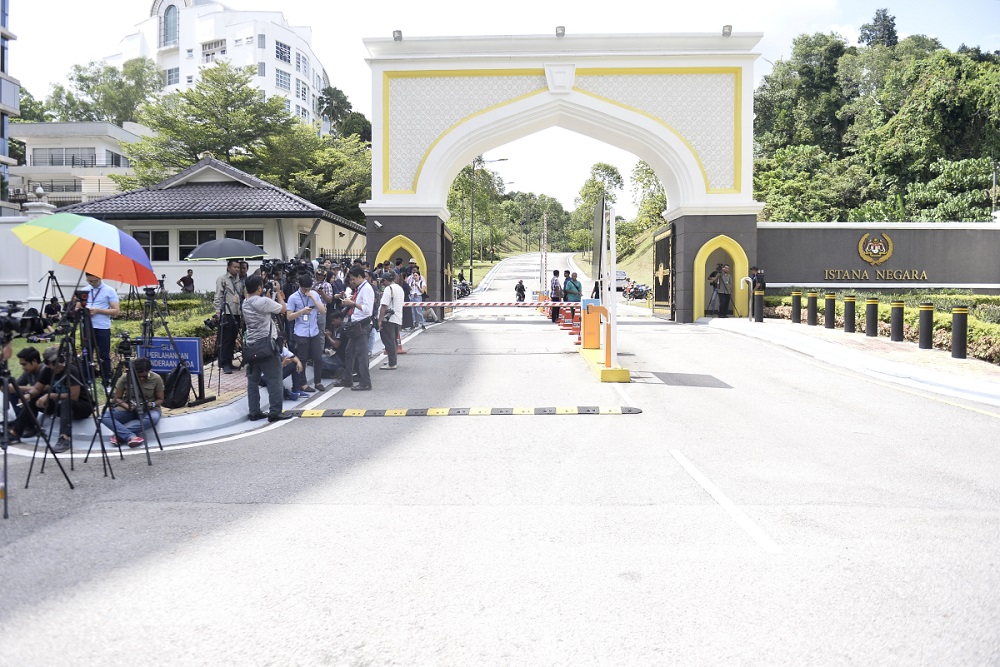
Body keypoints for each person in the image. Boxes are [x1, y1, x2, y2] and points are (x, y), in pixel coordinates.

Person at [7, 346, 93, 453]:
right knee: (33, 399)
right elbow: (37, 389)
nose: (59, 364)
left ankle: (65, 438)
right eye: (55, 362)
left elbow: (74, 396)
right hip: (60, 405)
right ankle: (15, 432)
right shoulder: (47, 371)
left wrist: (50, 396)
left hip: (82, 406)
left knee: (66, 401)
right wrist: (29, 395)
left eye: (61, 360)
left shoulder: (71, 370)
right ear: (47, 363)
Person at [241, 275, 291, 422]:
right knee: (275, 379)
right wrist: (278, 292)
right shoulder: (263, 301)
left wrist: (268, 297)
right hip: (267, 347)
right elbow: (283, 309)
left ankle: (254, 412)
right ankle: (275, 412)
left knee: (253, 382)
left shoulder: (245, 303)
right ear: (259, 288)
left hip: (251, 346)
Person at [99, 357, 164, 448]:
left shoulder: (156, 378)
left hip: (148, 409)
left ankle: (120, 435)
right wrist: (127, 406)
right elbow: (117, 398)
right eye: (138, 376)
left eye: (144, 376)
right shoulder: (125, 377)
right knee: (104, 416)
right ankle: (129, 436)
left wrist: (151, 404)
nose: (141, 379)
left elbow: (160, 399)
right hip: (129, 409)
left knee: (153, 419)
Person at [286, 274, 327, 393]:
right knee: (302, 359)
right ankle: (303, 383)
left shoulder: (314, 294)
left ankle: (317, 381)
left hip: (313, 331)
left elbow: (323, 311)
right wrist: (302, 311)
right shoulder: (293, 298)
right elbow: (289, 317)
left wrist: (314, 298)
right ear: (300, 286)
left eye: (309, 288)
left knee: (318, 358)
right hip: (301, 332)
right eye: (305, 289)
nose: (307, 291)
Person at [337, 266, 374, 391]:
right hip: (356, 324)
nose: (352, 281)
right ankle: (347, 379)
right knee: (349, 352)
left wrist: (352, 304)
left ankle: (365, 382)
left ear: (359, 277)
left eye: (353, 279)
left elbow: (367, 309)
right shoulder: (361, 288)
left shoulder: (366, 289)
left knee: (361, 354)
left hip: (362, 325)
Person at [81, 272, 120, 384]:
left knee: (104, 354)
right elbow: (77, 307)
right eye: (90, 281)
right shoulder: (85, 290)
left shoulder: (109, 290)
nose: (92, 283)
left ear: (100, 277)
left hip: (102, 327)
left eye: (94, 281)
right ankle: (87, 379)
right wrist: (83, 309)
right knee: (86, 353)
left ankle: (106, 379)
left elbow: (116, 311)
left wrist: (98, 310)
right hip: (87, 326)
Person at [213, 259, 246, 374]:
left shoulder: (240, 281)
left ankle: (230, 361)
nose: (237, 269)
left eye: (238, 267)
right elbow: (218, 296)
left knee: (232, 340)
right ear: (228, 267)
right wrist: (218, 312)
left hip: (236, 313)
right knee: (225, 340)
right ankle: (224, 364)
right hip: (226, 312)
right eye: (235, 267)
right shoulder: (222, 279)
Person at [378, 270, 404, 370]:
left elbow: (384, 305)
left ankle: (392, 363)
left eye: (383, 281)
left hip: (388, 319)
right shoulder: (400, 289)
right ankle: (392, 360)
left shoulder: (389, 289)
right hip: (397, 318)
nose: (382, 283)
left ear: (385, 280)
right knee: (393, 341)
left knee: (388, 341)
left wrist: (380, 320)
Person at [407, 265, 427, 331]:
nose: (415, 277)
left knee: (418, 310)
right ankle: (414, 323)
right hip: (412, 296)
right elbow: (410, 290)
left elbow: (422, 291)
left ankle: (422, 323)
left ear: (419, 276)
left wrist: (418, 286)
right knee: (412, 311)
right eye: (414, 275)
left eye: (416, 275)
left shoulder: (422, 282)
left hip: (418, 296)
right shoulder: (411, 282)